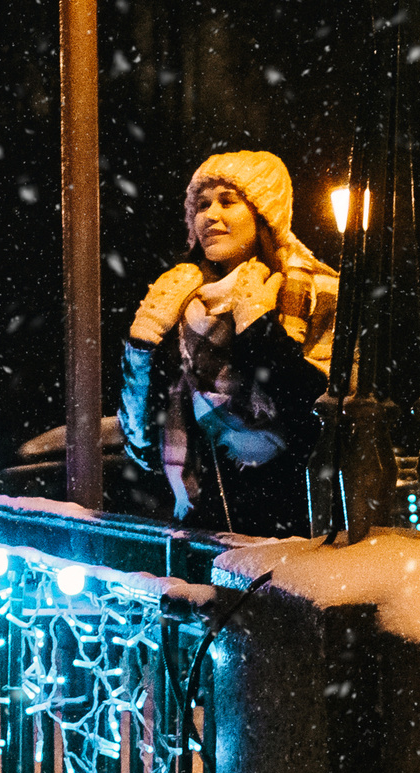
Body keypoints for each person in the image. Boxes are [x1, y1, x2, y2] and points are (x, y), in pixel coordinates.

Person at [119, 152, 338, 536]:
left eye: (228, 201)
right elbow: (143, 449)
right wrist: (142, 347)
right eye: (202, 205)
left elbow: (316, 422)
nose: (210, 215)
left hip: (294, 534)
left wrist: (256, 327)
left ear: (264, 216)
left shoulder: (314, 296)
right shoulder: (181, 307)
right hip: (200, 532)